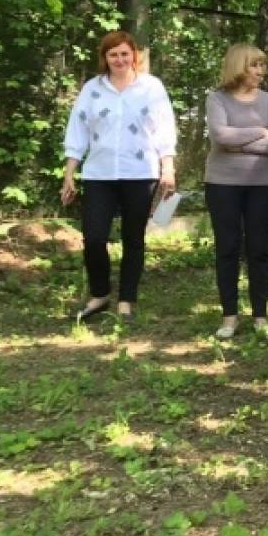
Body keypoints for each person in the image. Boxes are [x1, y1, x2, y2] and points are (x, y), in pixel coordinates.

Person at [63, 31, 177, 322]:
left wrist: (168, 168)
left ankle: (127, 299)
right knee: (94, 237)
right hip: (99, 174)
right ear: (105, 58)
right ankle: (100, 294)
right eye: (113, 54)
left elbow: (164, 129)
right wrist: (69, 174)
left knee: (133, 238)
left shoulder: (151, 88)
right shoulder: (92, 89)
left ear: (134, 56)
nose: (119, 59)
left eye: (125, 53)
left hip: (140, 174)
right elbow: (78, 132)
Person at [204, 43, 268, 338]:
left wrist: (240, 144)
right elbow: (219, 135)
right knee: (227, 249)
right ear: (239, 66)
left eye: (262, 66)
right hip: (221, 183)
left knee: (259, 250)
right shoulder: (217, 99)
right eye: (255, 65)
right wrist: (259, 133)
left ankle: (260, 316)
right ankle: (229, 317)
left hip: (261, 185)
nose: (261, 72)